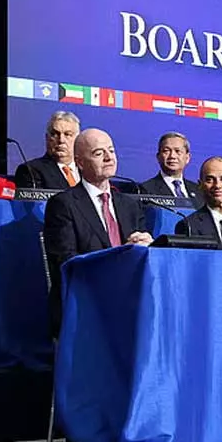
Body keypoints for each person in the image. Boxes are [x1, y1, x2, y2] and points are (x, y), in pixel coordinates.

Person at [42, 128, 153, 326]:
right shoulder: (63, 204)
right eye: (99, 153)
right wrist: (120, 255)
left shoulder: (129, 205)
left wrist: (147, 248)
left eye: (111, 151)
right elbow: (67, 263)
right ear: (80, 163)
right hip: (85, 305)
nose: (109, 158)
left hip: (130, 302)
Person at [15, 111, 82, 189]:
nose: (61, 140)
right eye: (55, 134)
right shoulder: (30, 170)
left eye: (67, 134)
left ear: (78, 139)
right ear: (47, 138)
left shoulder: (87, 170)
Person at [137, 132, 201, 202]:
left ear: (187, 158)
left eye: (177, 151)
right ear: (158, 157)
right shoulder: (146, 189)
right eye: (166, 151)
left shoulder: (199, 190)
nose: (172, 156)